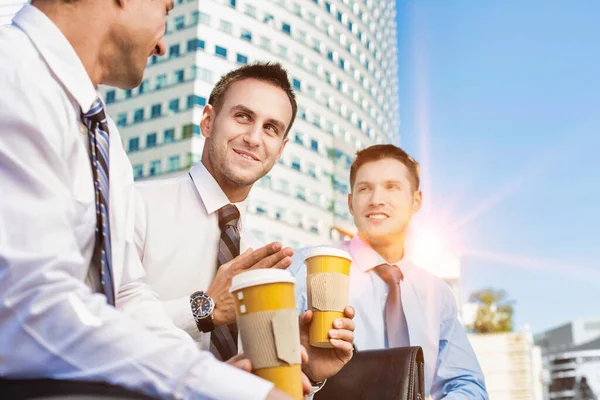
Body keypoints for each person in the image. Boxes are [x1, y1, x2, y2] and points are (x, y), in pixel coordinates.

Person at [0, 1, 298, 399]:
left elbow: (125, 297)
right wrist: (214, 377)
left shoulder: (105, 139)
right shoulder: (13, 73)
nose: (162, 46)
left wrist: (233, 382)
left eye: (272, 129)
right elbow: (28, 308)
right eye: (167, 8)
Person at [134, 62, 355, 390]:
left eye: (270, 128)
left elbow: (256, 387)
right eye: (243, 117)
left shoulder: (266, 262)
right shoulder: (136, 205)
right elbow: (85, 328)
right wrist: (203, 308)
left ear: (280, 149)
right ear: (208, 121)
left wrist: (307, 369)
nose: (253, 138)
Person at [290, 144, 488, 399]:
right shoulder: (306, 267)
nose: (376, 200)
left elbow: (467, 384)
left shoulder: (437, 294)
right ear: (350, 203)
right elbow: (270, 379)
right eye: (364, 188)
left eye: (391, 187)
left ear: (416, 201)